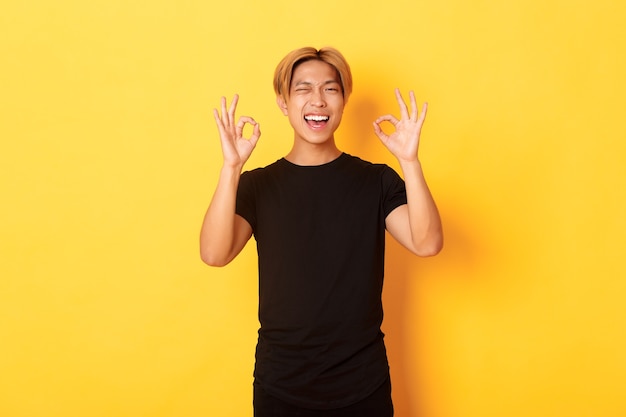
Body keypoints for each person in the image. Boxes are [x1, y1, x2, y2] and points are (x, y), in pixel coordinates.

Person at [200, 46, 443, 417]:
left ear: (344, 100)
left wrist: (409, 162)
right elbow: (214, 254)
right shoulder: (258, 185)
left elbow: (426, 243)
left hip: (363, 383)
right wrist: (230, 168)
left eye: (330, 89)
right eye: (303, 89)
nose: (318, 100)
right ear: (283, 103)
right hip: (280, 384)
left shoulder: (375, 181)